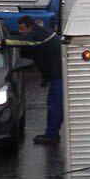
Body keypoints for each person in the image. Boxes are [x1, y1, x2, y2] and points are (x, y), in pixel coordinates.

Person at [14, 14, 63, 145]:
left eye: (22, 29)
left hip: (58, 76)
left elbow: (18, 41)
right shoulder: (42, 33)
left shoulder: (37, 35)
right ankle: (52, 133)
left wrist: (0, 42)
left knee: (55, 107)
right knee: (55, 106)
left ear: (30, 27)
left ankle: (52, 135)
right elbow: (43, 59)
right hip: (56, 74)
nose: (21, 32)